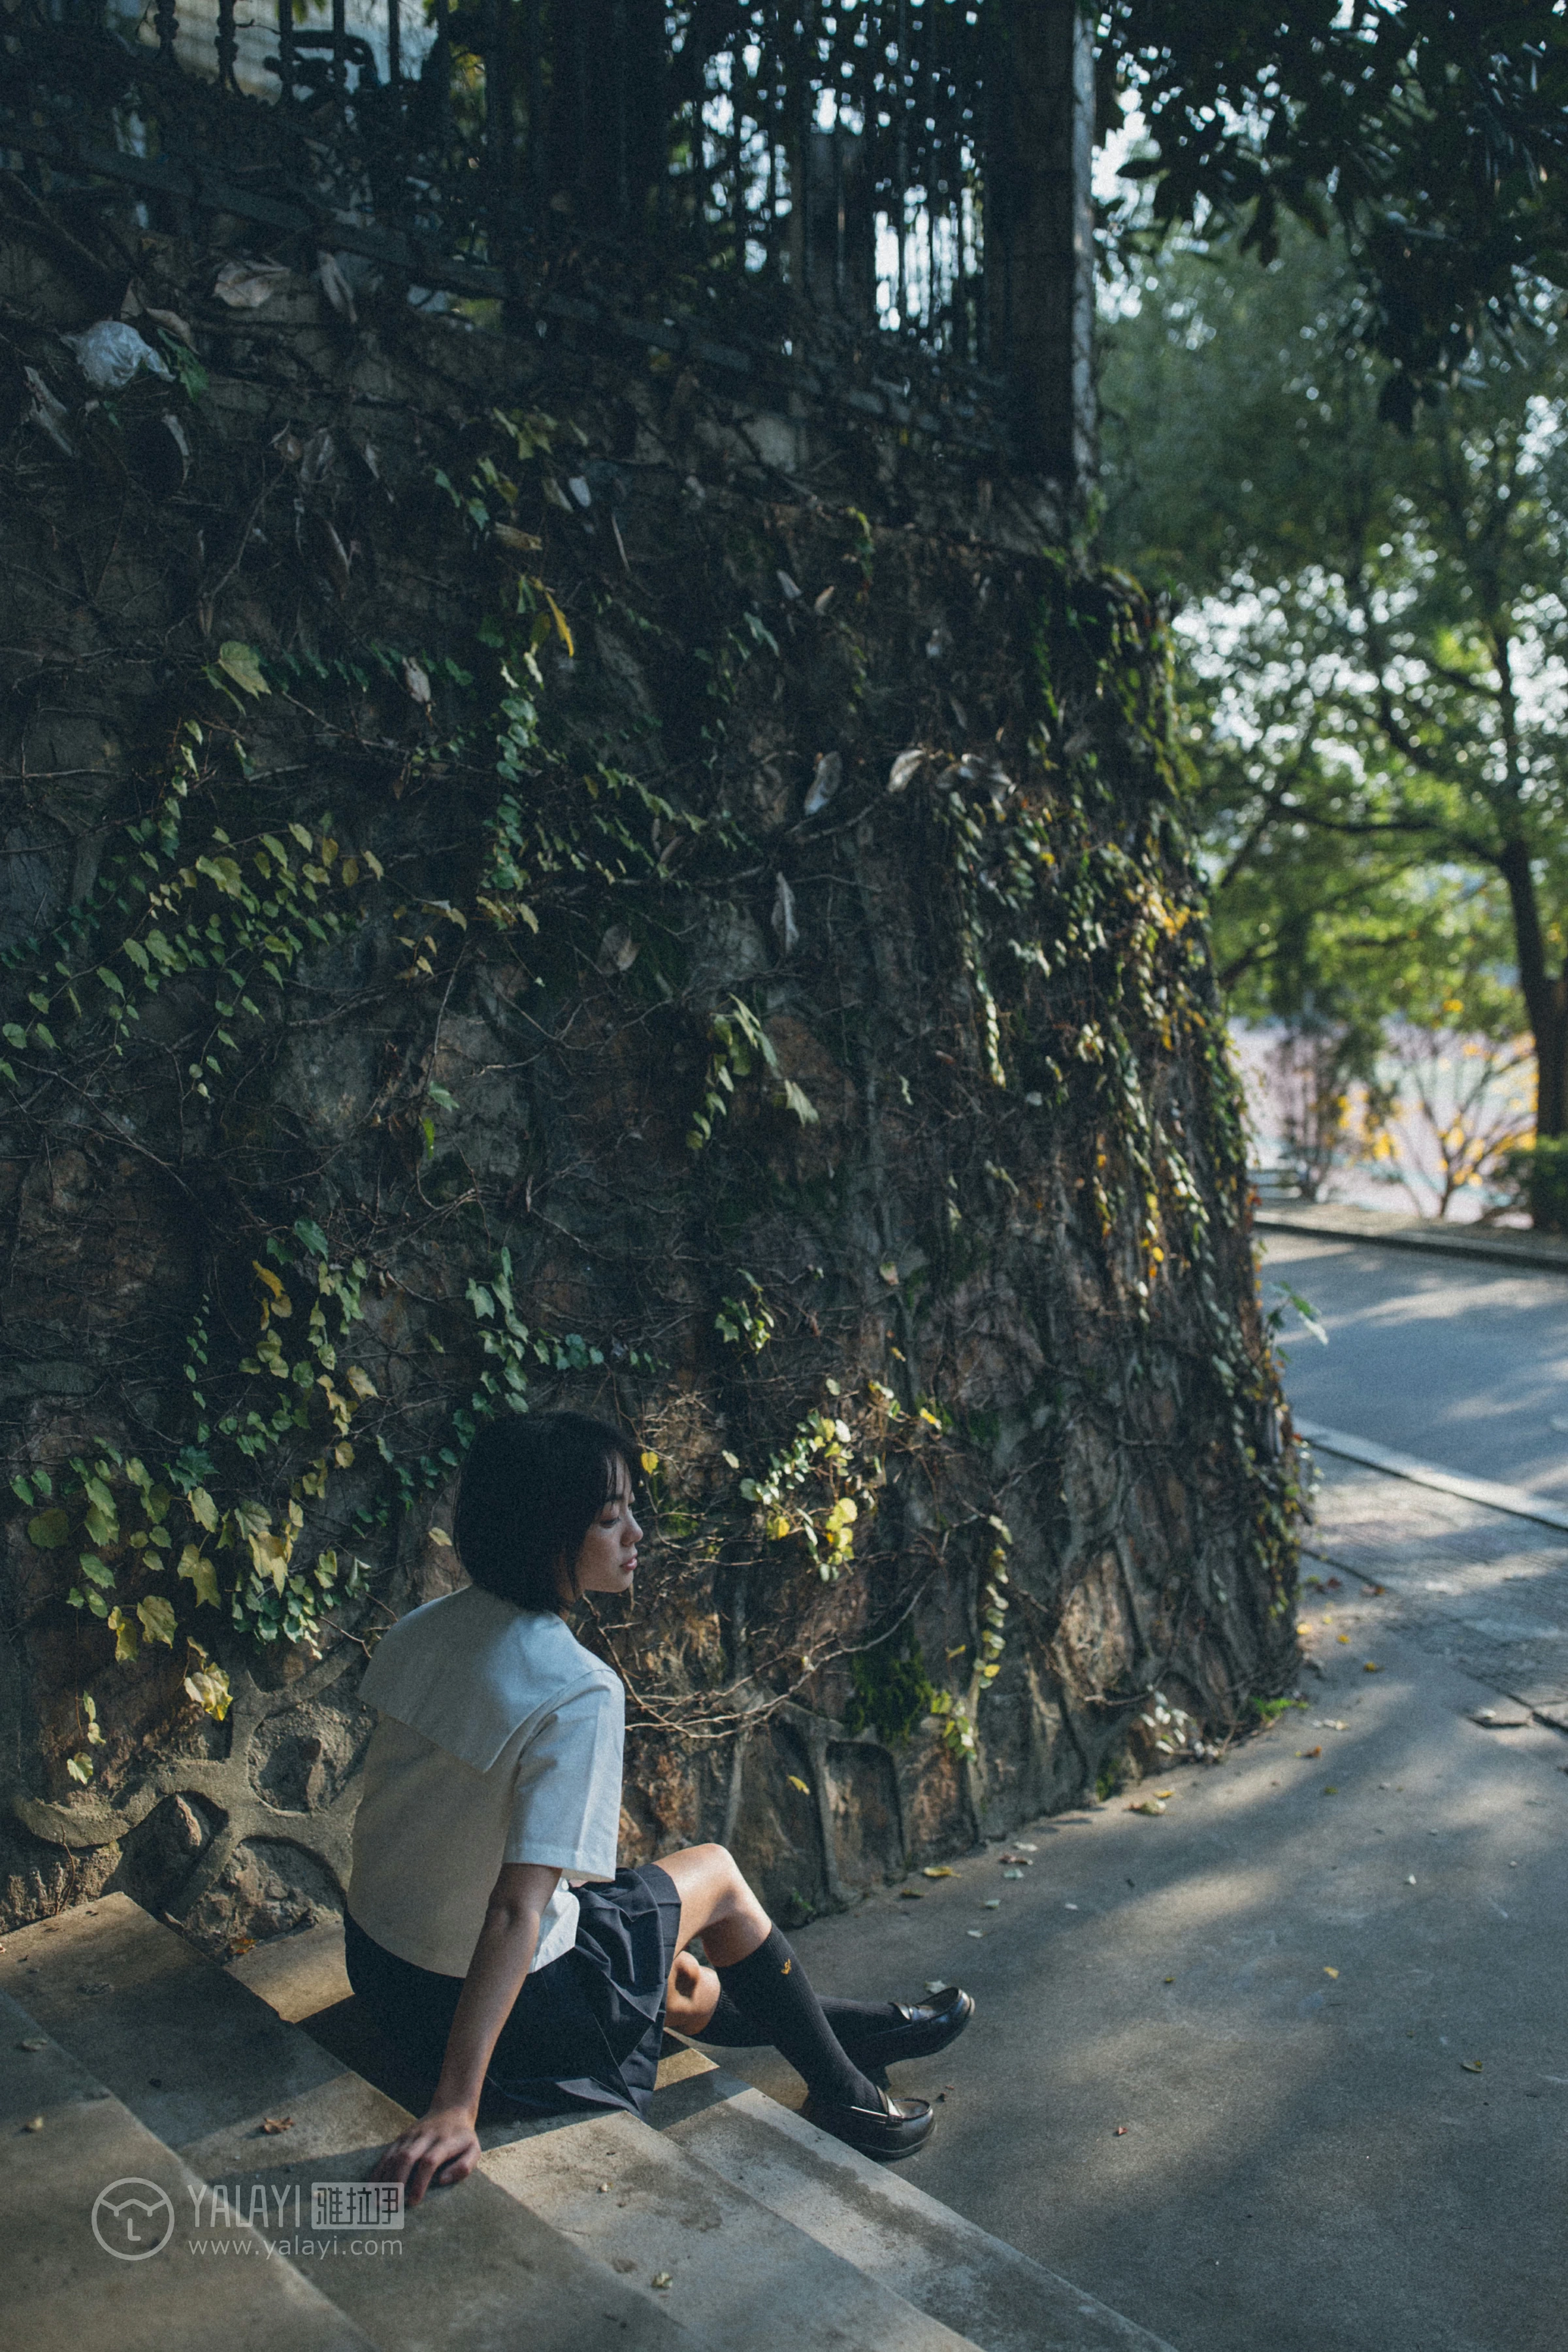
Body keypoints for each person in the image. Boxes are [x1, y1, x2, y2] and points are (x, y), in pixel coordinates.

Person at [348, 1409, 973, 2204]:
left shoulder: (421, 1629)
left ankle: (862, 2030)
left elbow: (409, 1826)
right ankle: (850, 2092)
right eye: (611, 1520)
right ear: (548, 1537)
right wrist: (455, 2104)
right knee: (713, 1877)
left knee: (661, 1963)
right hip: (500, 2025)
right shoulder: (576, 1689)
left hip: (386, 1978)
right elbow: (515, 1913)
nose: (637, 1534)